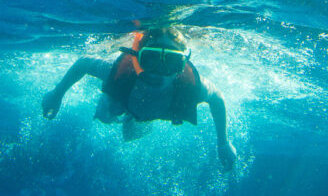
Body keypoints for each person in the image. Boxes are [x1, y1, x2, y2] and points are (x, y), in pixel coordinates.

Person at [42, 26, 237, 170]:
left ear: (182, 65)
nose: (159, 72)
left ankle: (133, 118)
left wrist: (223, 141)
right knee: (106, 115)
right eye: (150, 59)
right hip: (123, 102)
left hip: (146, 112)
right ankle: (127, 114)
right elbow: (83, 63)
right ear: (136, 58)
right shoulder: (123, 74)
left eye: (171, 62)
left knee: (134, 133)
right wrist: (56, 94)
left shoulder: (191, 87)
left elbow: (217, 97)